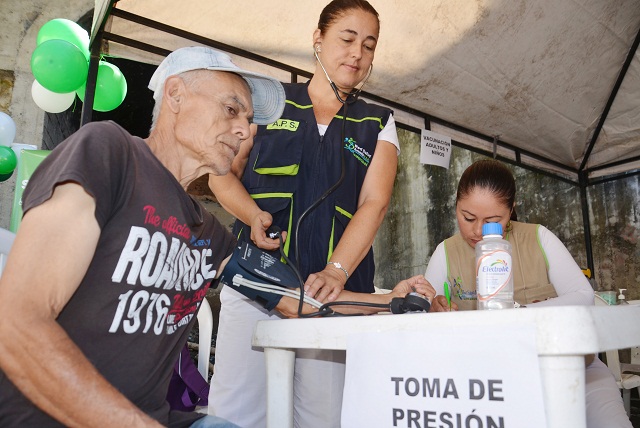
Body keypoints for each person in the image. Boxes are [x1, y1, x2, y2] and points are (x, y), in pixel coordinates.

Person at [0, 46, 287, 428]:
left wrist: (387, 301)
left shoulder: (210, 234)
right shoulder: (109, 152)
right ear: (176, 95)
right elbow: (17, 323)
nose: (245, 130)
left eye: (250, 120)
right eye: (232, 110)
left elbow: (291, 298)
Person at [207, 1, 399, 426]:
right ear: (318, 40)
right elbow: (222, 175)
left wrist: (336, 270)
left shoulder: (379, 122)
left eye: (369, 46)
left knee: (323, 416)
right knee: (237, 414)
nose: (358, 55)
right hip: (259, 282)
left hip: (333, 298)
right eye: (347, 40)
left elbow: (375, 203)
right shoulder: (268, 102)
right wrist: (252, 214)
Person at [426, 158, 632, 428]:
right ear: (455, 207)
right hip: (488, 380)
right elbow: (424, 316)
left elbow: (582, 294)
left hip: (573, 369)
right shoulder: (446, 253)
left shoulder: (539, 238)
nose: (478, 231)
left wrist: (520, 314)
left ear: (511, 210)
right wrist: (433, 309)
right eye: (468, 217)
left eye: (493, 220)